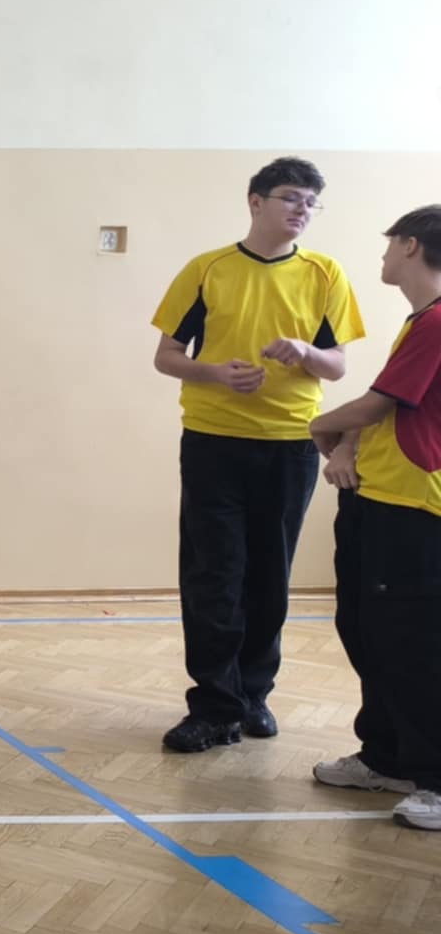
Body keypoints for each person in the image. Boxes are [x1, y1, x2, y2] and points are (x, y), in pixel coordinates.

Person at [151, 158, 364, 752]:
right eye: (291, 198)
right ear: (256, 202)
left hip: (291, 446)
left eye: (311, 203)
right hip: (213, 442)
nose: (302, 210)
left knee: (270, 576)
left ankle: (253, 696)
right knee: (213, 574)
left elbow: (338, 366)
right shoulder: (207, 269)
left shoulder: (325, 274)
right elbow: (166, 356)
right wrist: (215, 373)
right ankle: (213, 706)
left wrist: (306, 352)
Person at [308, 205, 441, 833]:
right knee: (367, 631)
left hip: (414, 507)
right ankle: (386, 756)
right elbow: (387, 410)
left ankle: (435, 776)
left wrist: (321, 426)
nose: (383, 255)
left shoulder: (437, 321)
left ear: (410, 246)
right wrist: (346, 447)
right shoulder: (417, 322)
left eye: (389, 245)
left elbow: (375, 403)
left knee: (412, 644)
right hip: (376, 497)